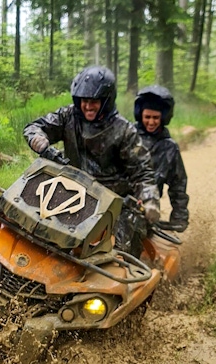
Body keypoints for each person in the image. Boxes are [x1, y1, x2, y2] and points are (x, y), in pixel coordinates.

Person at [23, 65, 161, 256]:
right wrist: (39, 139)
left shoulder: (124, 130)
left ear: (106, 100)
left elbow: (143, 171)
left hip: (112, 202)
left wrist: (150, 199)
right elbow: (35, 126)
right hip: (70, 191)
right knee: (29, 221)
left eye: (94, 101)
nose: (87, 106)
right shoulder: (68, 116)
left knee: (120, 249)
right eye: (84, 101)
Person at [134, 85, 189, 233]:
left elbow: (178, 184)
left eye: (156, 118)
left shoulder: (169, 148)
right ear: (140, 115)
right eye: (147, 117)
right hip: (118, 202)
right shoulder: (127, 137)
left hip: (148, 209)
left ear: (163, 117)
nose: (151, 122)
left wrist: (179, 216)